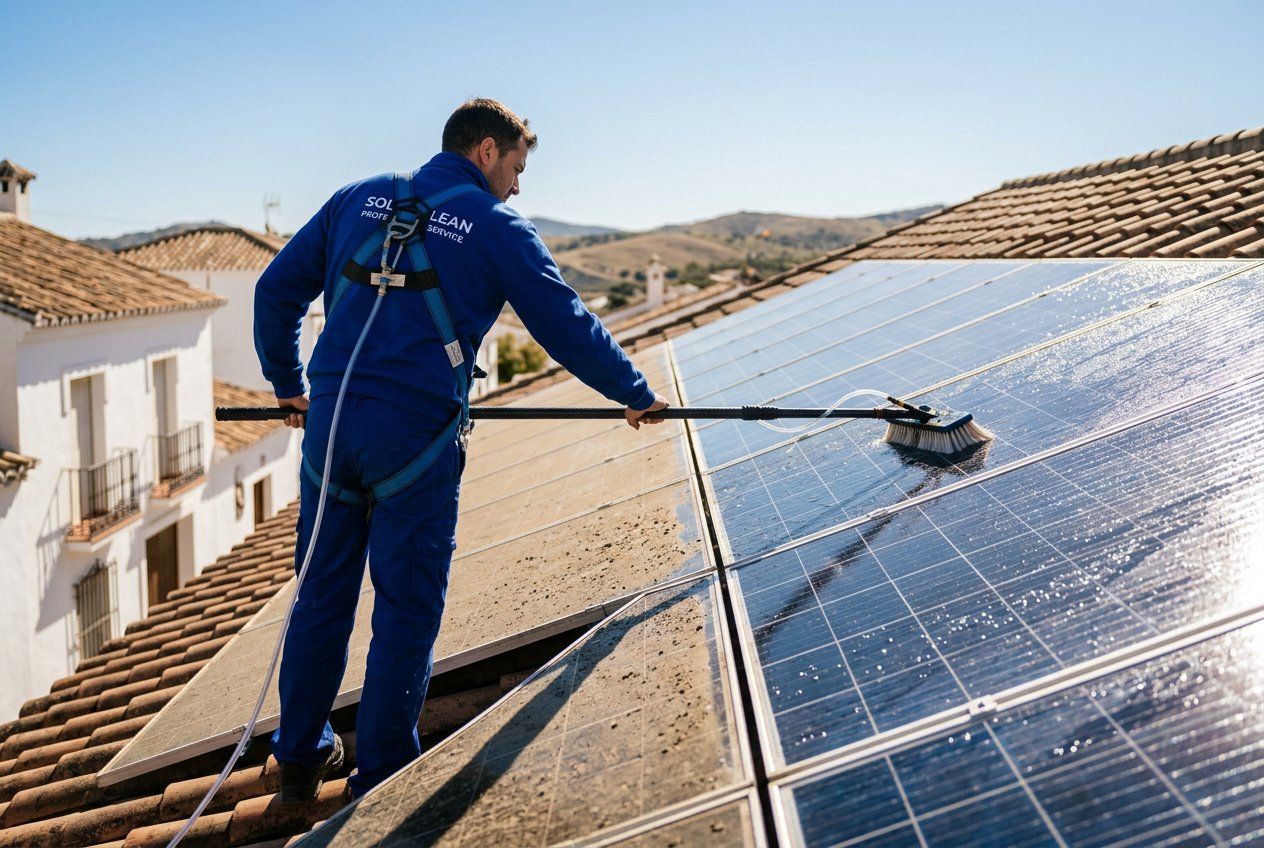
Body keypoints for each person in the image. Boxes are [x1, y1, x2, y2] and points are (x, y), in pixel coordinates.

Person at [253, 98, 669, 802]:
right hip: (413, 437)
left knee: (321, 594)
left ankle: (298, 757)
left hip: (328, 427)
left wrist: (287, 384)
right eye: (516, 166)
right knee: (406, 608)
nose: (518, 184)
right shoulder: (499, 227)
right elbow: (563, 323)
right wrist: (632, 391)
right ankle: (380, 775)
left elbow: (275, 291)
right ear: (485, 151)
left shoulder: (357, 197)